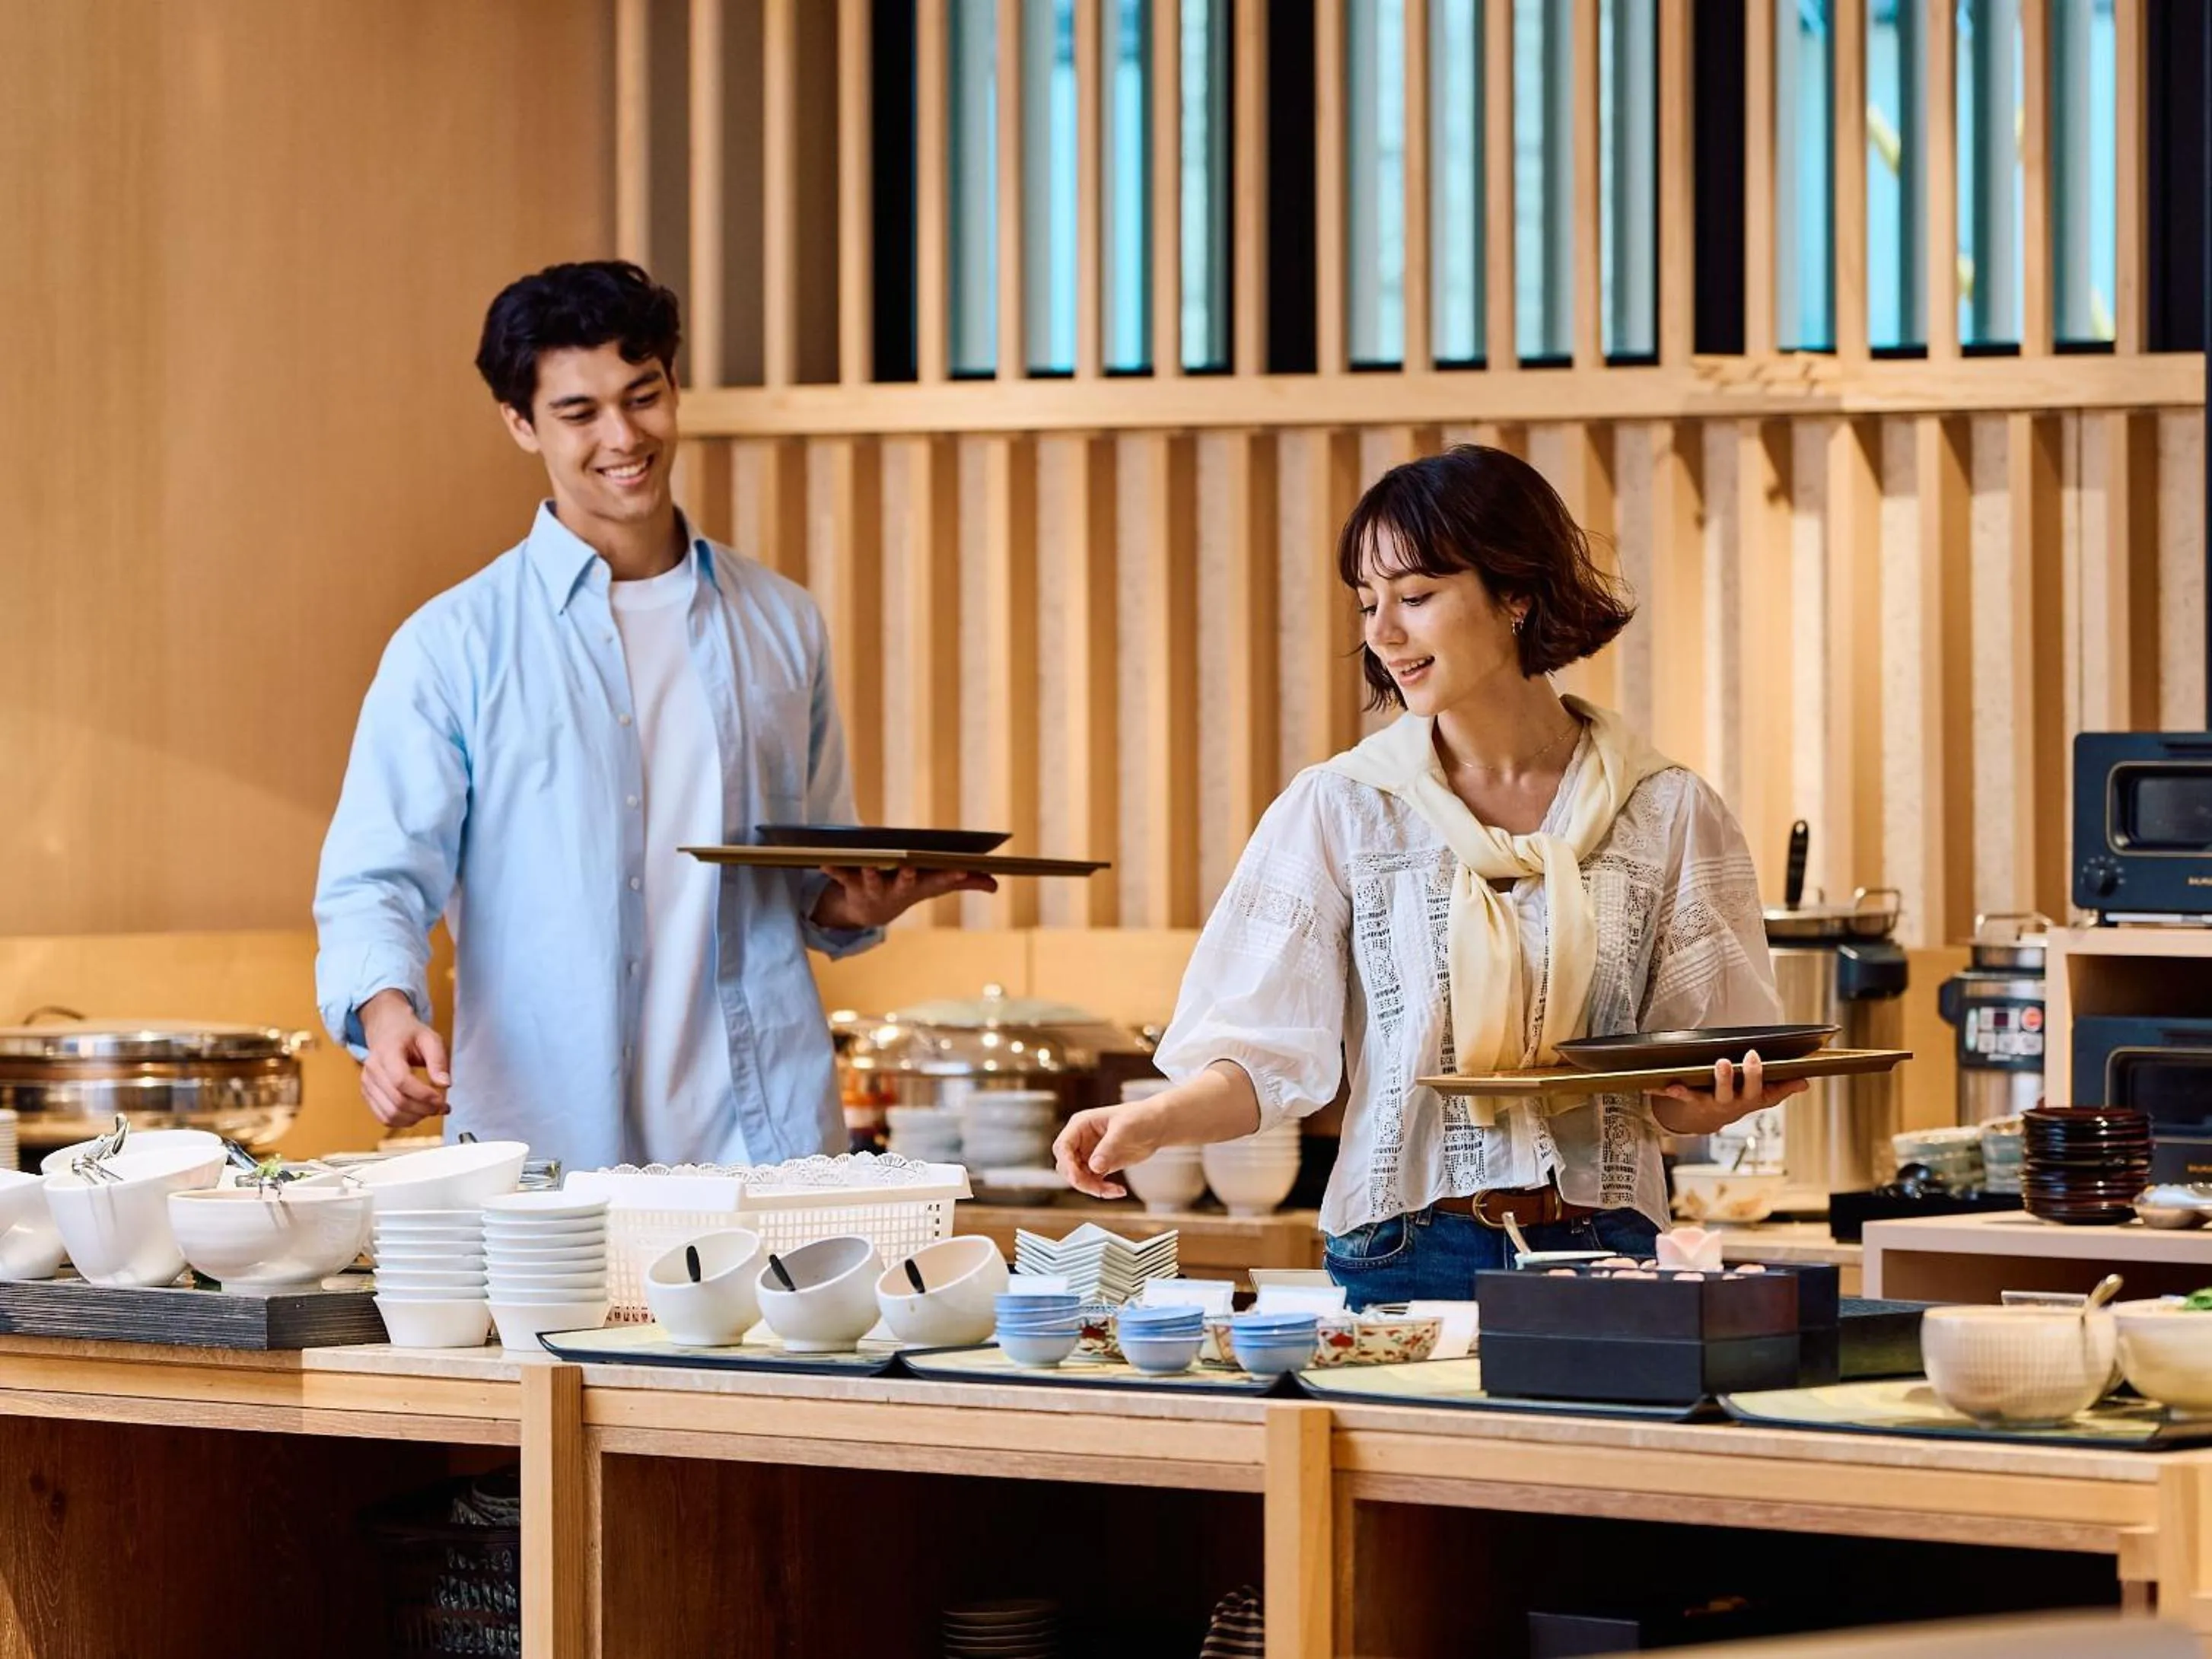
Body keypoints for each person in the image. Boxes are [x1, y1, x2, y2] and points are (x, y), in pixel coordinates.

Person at [1052, 444, 1806, 1305]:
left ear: (1516, 593)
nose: (1381, 633)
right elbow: (1262, 1056)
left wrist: (1712, 1103)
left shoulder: (1666, 808)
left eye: (1414, 597)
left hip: (1610, 1242)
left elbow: (1681, 1076)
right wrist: (1147, 1122)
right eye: (1369, 603)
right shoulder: (1343, 807)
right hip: (1401, 1249)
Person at [313, 260, 986, 1171]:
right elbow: (375, 880)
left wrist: (853, 897)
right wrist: (384, 1013)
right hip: (545, 1162)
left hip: (767, 1153)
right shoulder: (453, 645)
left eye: (643, 396)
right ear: (521, 424)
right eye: (579, 412)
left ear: (675, 389)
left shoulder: (784, 621)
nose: (624, 436)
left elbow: (811, 875)